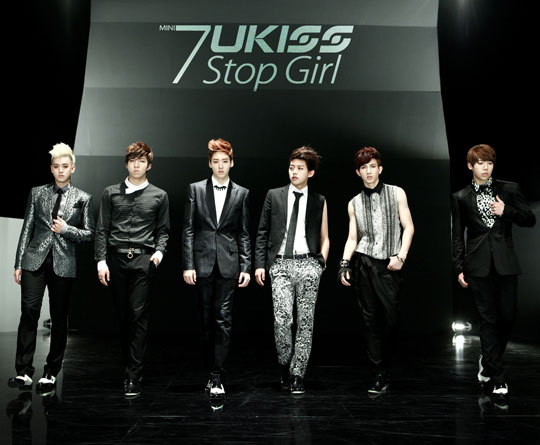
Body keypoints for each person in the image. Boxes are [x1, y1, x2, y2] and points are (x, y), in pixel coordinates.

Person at [451, 144, 535, 400]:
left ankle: (487, 361)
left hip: (505, 262)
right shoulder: (460, 196)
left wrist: (505, 211)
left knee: (508, 317)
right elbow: (458, 235)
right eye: (480, 163)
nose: (485, 167)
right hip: (477, 265)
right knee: (487, 321)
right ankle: (497, 378)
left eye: (489, 163)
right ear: (470, 166)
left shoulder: (509, 189)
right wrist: (459, 267)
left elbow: (529, 219)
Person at [9, 143, 94, 393]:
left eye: (65, 166)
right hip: (34, 259)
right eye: (56, 166)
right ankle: (23, 372)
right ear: (51, 168)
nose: (60, 170)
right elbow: (27, 228)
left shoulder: (83, 198)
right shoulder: (37, 193)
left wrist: (67, 230)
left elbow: (90, 233)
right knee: (29, 312)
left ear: (73, 168)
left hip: (63, 262)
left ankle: (51, 372)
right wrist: (18, 263)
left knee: (58, 318)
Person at [95, 142, 170, 398]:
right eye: (132, 160)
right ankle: (129, 364)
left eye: (141, 161)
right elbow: (102, 228)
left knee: (138, 315)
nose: (137, 165)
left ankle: (133, 375)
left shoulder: (159, 195)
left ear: (149, 165)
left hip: (143, 260)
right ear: (126, 163)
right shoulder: (110, 192)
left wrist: (159, 253)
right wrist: (100, 261)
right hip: (115, 259)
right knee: (123, 316)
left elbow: (164, 229)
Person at [338, 147, 414, 396]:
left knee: (392, 318)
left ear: (380, 168)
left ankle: (388, 364)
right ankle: (378, 372)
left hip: (390, 263)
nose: (369, 171)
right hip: (364, 264)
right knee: (369, 320)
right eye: (364, 167)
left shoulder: (397, 193)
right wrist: (344, 263)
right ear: (358, 172)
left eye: (372, 166)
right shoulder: (354, 203)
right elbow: (353, 237)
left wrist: (401, 256)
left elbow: (408, 227)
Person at [255, 146, 329, 395]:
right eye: (291, 167)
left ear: (311, 172)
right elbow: (263, 231)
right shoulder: (274, 195)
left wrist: (320, 264)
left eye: (300, 168)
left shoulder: (319, 200)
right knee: (282, 319)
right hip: (281, 263)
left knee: (306, 322)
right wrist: (260, 265)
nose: (294, 172)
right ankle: (285, 364)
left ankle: (298, 374)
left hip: (308, 263)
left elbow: (325, 236)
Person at [182, 138, 251, 398]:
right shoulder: (195, 189)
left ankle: (217, 375)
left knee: (223, 319)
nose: (220, 166)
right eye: (216, 162)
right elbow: (189, 229)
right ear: (209, 164)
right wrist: (188, 265)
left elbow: (244, 232)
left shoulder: (242, 193)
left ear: (232, 163)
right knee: (205, 320)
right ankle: (209, 369)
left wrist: (246, 265)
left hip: (229, 263)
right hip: (202, 262)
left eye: (225, 161)